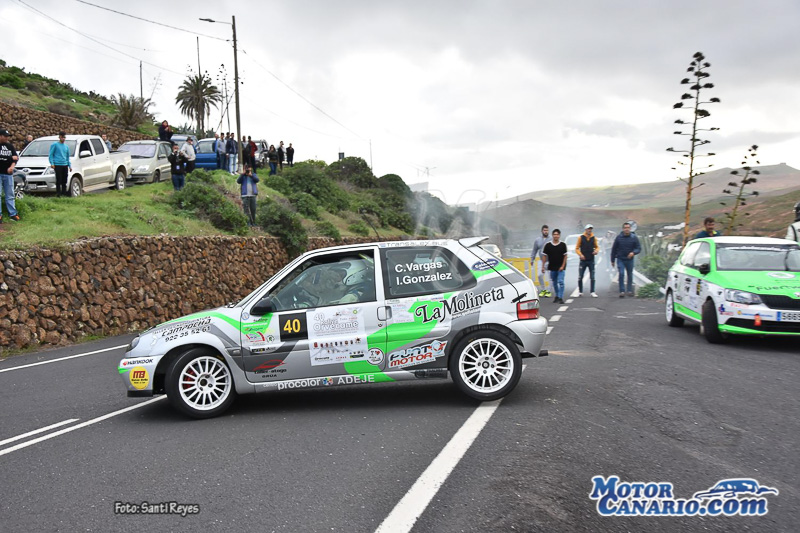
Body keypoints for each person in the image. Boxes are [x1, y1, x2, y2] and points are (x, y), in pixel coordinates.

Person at [610, 222, 641, 298]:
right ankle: (622, 291)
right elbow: (614, 249)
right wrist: (612, 260)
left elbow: (638, 248)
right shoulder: (619, 238)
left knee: (629, 274)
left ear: (630, 229)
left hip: (629, 259)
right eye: (625, 228)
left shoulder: (634, 237)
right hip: (620, 259)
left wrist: (633, 252)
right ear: (623, 229)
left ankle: (629, 290)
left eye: (628, 228)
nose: (627, 229)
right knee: (621, 273)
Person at [0, 129, 21, 222]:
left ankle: (13, 214)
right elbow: (11, 157)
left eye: (7, 136)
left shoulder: (10, 146)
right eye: (5, 136)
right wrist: (10, 157)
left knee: (10, 194)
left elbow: (15, 158)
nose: (7, 138)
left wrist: (12, 167)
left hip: (8, 174)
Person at [542, 229, 567, 304]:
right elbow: (544, 256)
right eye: (554, 234)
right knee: (554, 282)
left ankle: (560, 297)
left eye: (557, 234)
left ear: (559, 236)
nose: (556, 236)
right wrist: (543, 266)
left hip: (561, 267)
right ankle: (557, 295)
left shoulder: (563, 245)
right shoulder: (548, 245)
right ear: (552, 235)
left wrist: (563, 266)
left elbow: (565, 256)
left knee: (561, 281)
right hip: (552, 267)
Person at [576, 223, 600, 298]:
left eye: (590, 229)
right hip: (583, 260)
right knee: (580, 276)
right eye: (588, 229)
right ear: (586, 230)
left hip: (591, 259)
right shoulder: (581, 238)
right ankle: (580, 291)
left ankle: (592, 291)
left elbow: (597, 247)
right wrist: (580, 254)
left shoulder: (594, 238)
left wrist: (596, 251)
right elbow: (577, 248)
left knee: (592, 276)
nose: (589, 230)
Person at [530, 224, 551, 297]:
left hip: (550, 261)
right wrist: (532, 259)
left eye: (547, 230)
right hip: (541, 260)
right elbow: (534, 250)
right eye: (544, 230)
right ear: (542, 231)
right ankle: (543, 289)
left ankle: (549, 291)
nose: (546, 232)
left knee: (550, 277)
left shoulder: (551, 239)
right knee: (539, 275)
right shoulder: (537, 240)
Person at [49, 131, 71, 197]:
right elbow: (51, 154)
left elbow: (67, 157)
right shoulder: (55, 145)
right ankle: (58, 193)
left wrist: (69, 165)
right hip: (58, 164)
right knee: (59, 179)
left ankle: (64, 193)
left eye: (64, 137)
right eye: (62, 137)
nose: (63, 139)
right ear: (59, 137)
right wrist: (52, 163)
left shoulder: (66, 147)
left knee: (64, 180)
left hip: (65, 164)